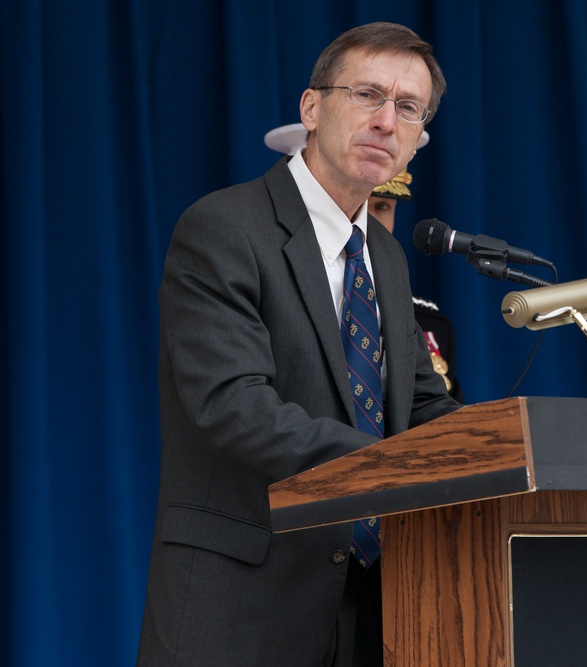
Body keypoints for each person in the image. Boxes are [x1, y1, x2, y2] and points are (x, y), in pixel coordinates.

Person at [137, 22, 458, 666]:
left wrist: (500, 447)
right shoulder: (224, 228)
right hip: (240, 606)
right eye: (367, 94)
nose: (385, 121)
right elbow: (234, 407)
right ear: (311, 107)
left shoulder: (386, 258)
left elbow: (422, 408)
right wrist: (392, 468)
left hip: (370, 606)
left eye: (407, 108)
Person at [265, 124, 463, 399]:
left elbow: (432, 414)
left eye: (381, 207)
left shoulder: (425, 319)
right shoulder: (260, 278)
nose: (364, 219)